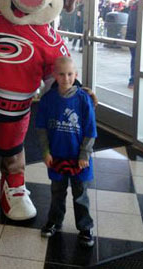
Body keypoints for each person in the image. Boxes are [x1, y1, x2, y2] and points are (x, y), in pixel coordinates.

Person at [36, 56, 97, 248]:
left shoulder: (83, 100)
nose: (66, 78)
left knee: (80, 195)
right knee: (57, 193)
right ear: (54, 75)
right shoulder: (47, 100)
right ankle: (54, 221)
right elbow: (41, 130)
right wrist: (45, 152)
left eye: (70, 74)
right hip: (57, 158)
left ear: (76, 75)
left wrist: (84, 155)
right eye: (61, 74)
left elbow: (90, 131)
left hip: (79, 160)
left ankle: (85, 227)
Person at [125, 0, 139, 89]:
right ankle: (133, 81)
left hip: (131, 35)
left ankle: (133, 81)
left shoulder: (136, 5)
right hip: (135, 36)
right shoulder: (140, 6)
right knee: (136, 58)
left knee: (135, 58)